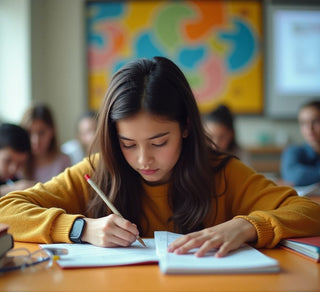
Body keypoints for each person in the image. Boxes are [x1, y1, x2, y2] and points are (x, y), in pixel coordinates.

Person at [0, 57, 319, 258]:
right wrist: (81, 229)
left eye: (158, 141)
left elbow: (309, 210)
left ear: (186, 127)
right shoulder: (98, 171)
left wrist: (247, 226)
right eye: (127, 143)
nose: (143, 160)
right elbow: (7, 210)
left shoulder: (221, 172)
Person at [20, 103, 72, 183]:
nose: (35, 140)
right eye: (29, 133)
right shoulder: (17, 162)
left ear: (52, 131)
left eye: (41, 133)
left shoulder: (64, 161)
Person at [281, 99, 320, 186]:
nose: (309, 128)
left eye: (316, 121)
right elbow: (295, 177)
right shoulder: (293, 151)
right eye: (303, 123)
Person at [0, 123, 36, 197]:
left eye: (20, 163)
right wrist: (9, 190)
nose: (13, 169)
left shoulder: (14, 180)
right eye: (7, 161)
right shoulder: (13, 187)